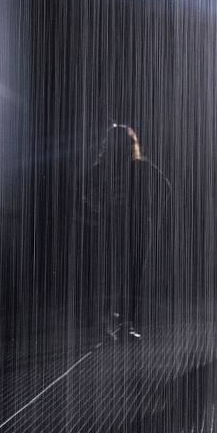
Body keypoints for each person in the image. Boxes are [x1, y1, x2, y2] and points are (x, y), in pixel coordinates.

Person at [82, 124, 171, 341]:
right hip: (131, 228)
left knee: (117, 275)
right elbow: (165, 188)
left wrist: (94, 213)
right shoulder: (131, 167)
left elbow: (165, 188)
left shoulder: (116, 167)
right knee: (128, 276)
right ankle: (122, 324)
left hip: (124, 228)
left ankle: (113, 323)